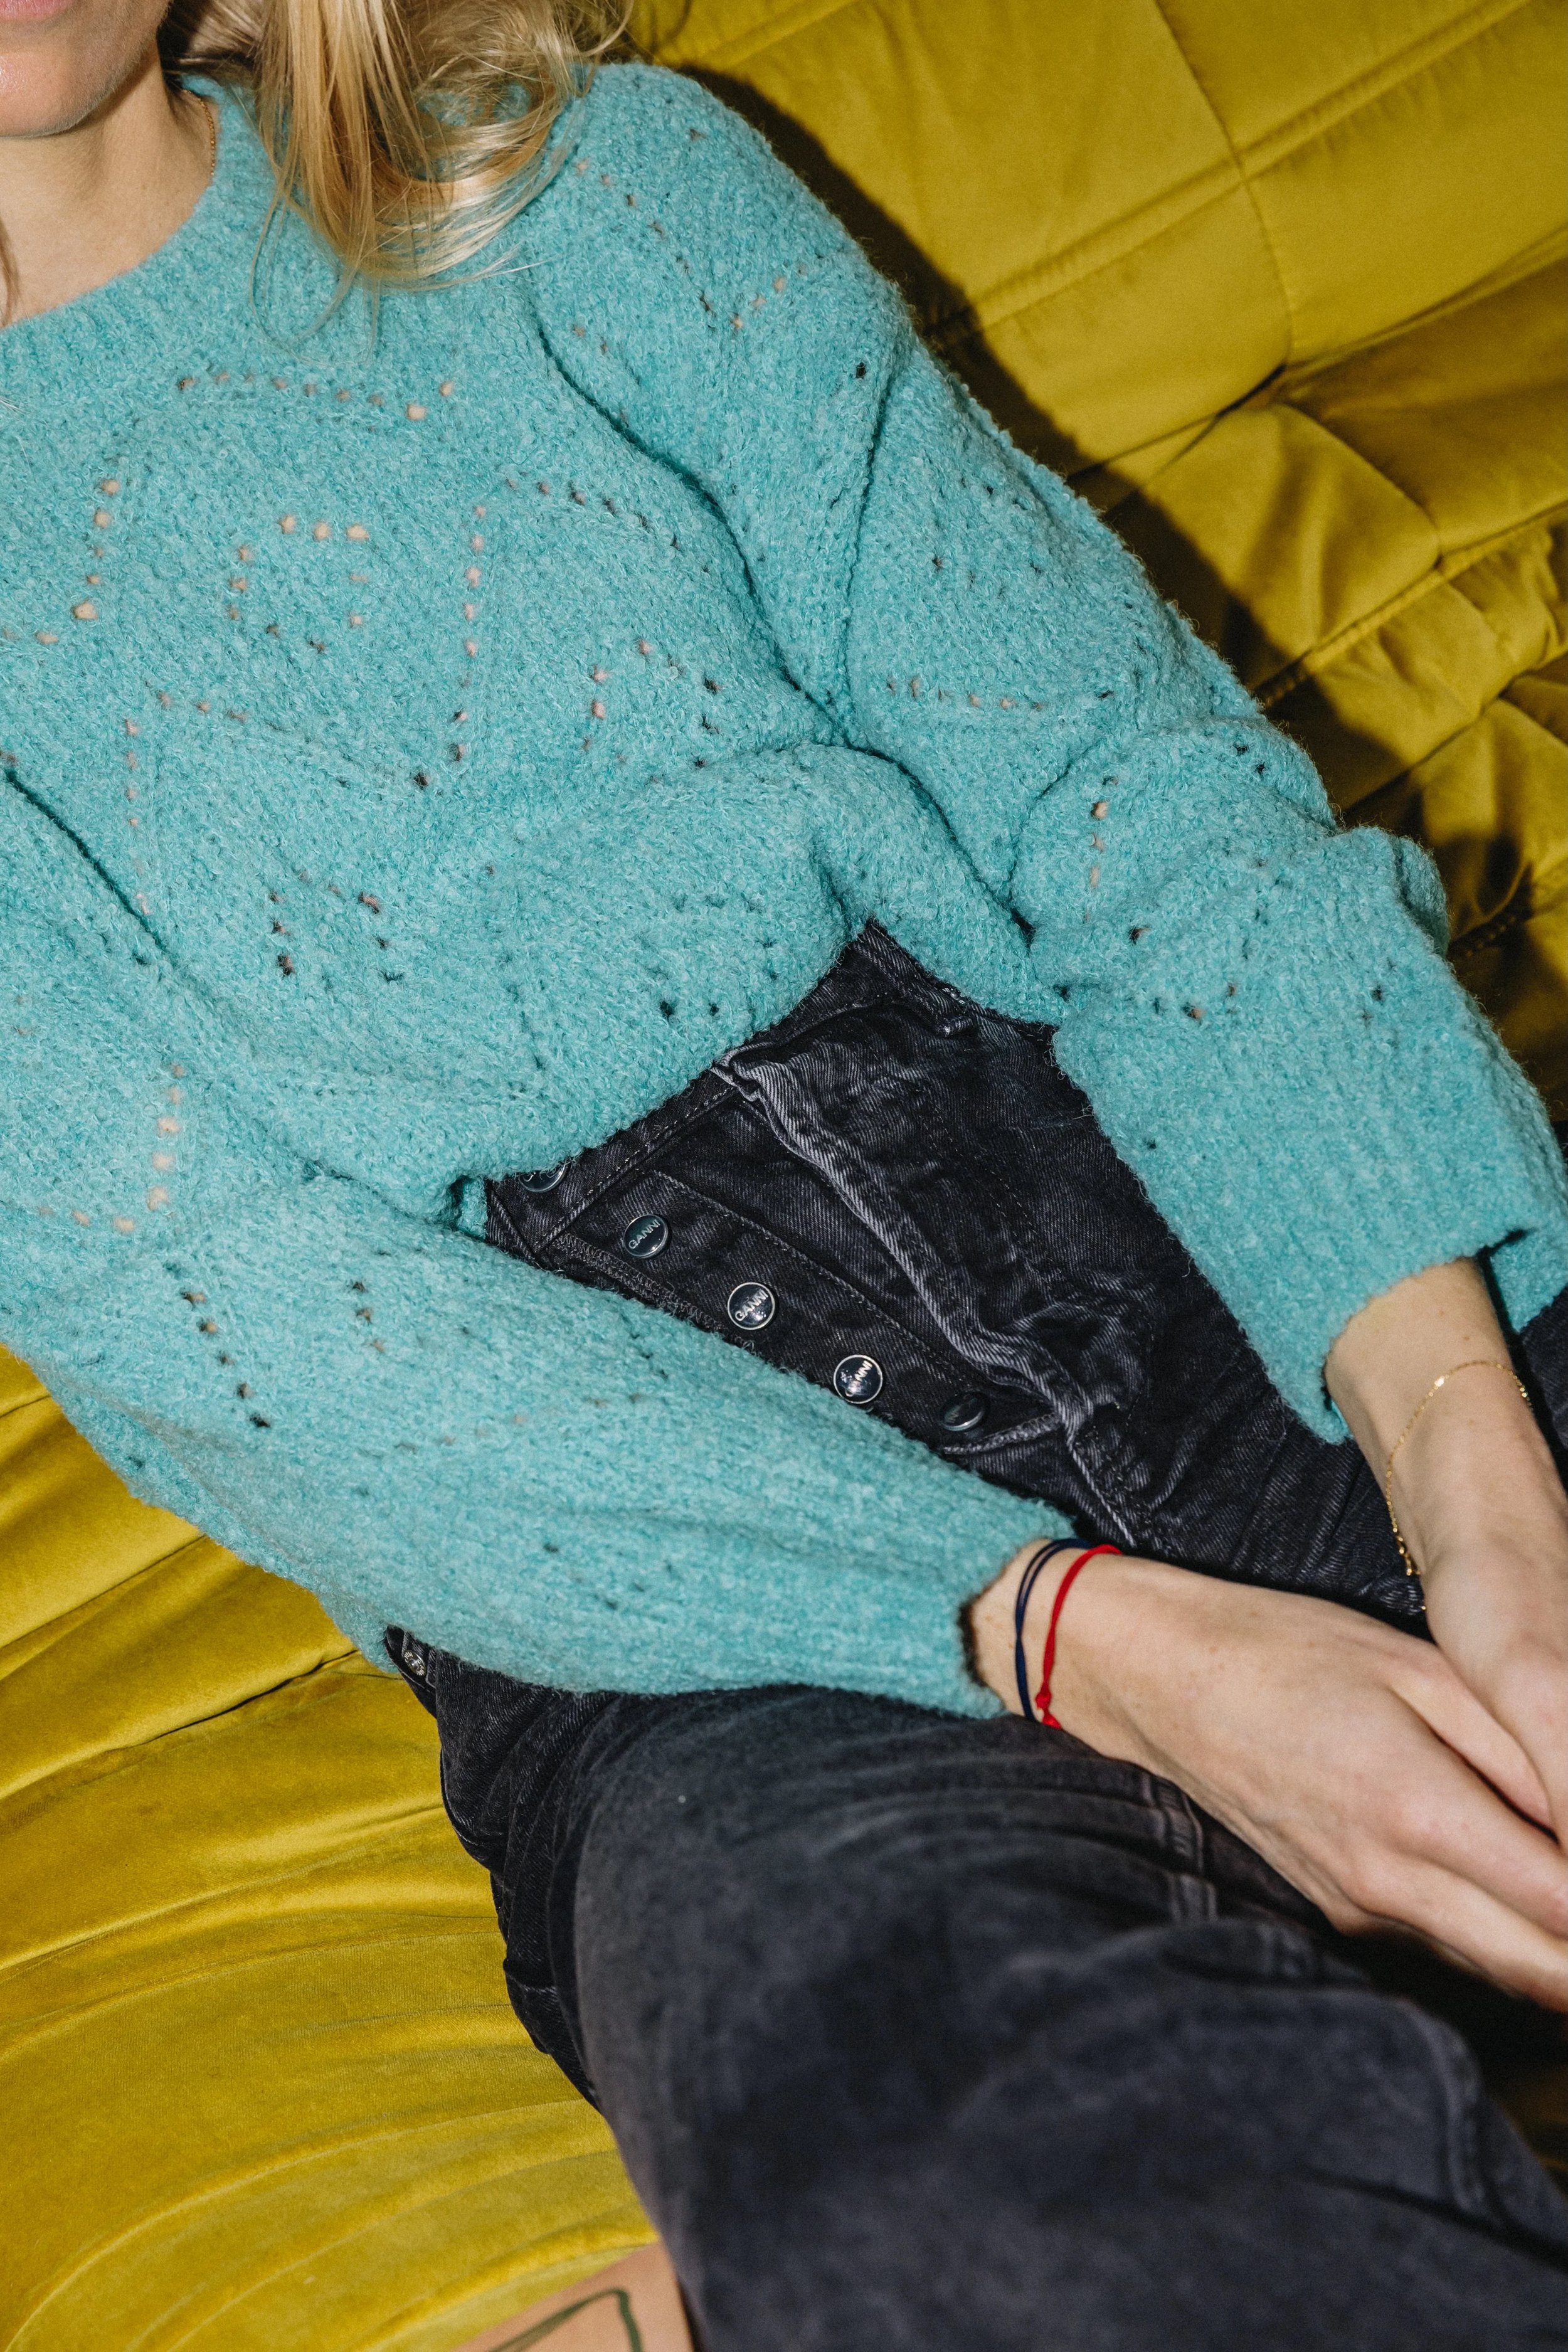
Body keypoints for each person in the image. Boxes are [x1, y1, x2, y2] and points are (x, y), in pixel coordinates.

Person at [2, 2, 1564, 2344]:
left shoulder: (590, 187)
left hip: (1212, 1238)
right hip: (682, 1616)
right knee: (958, 2200)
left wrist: (1474, 1468)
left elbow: (1121, 799)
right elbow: (277, 1347)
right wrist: (1091, 1641)